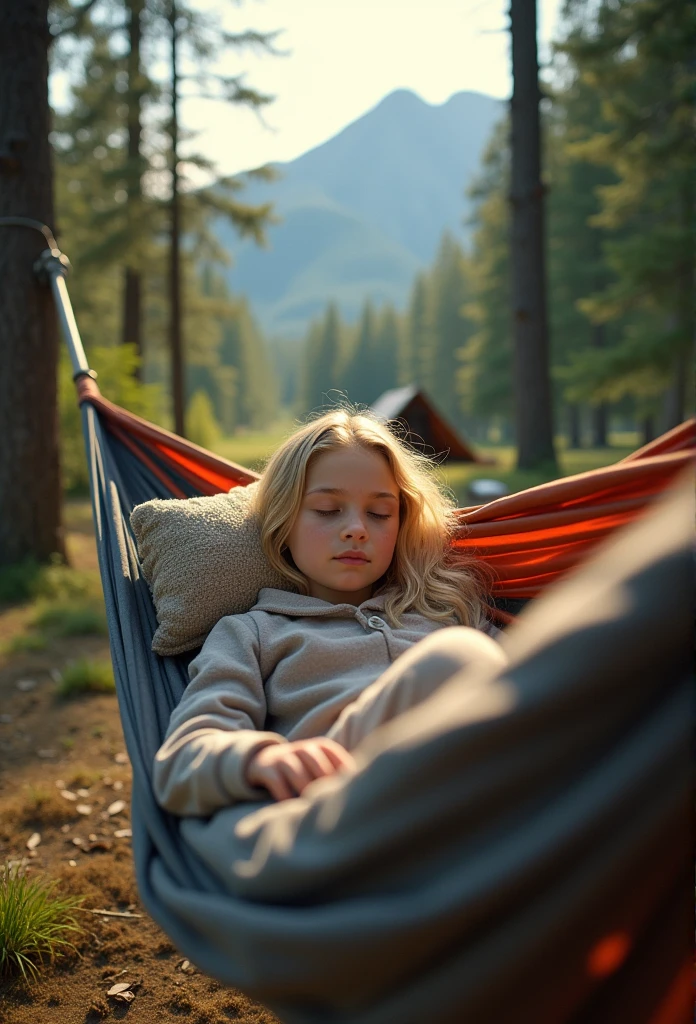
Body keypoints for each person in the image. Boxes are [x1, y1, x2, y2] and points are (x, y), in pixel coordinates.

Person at [153, 408, 507, 817]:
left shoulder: (443, 612)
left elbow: (535, 697)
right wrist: (257, 761)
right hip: (327, 810)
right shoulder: (253, 633)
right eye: (327, 510)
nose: (356, 528)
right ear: (284, 522)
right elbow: (184, 759)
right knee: (457, 658)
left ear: (401, 524)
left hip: (467, 806)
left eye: (379, 514)